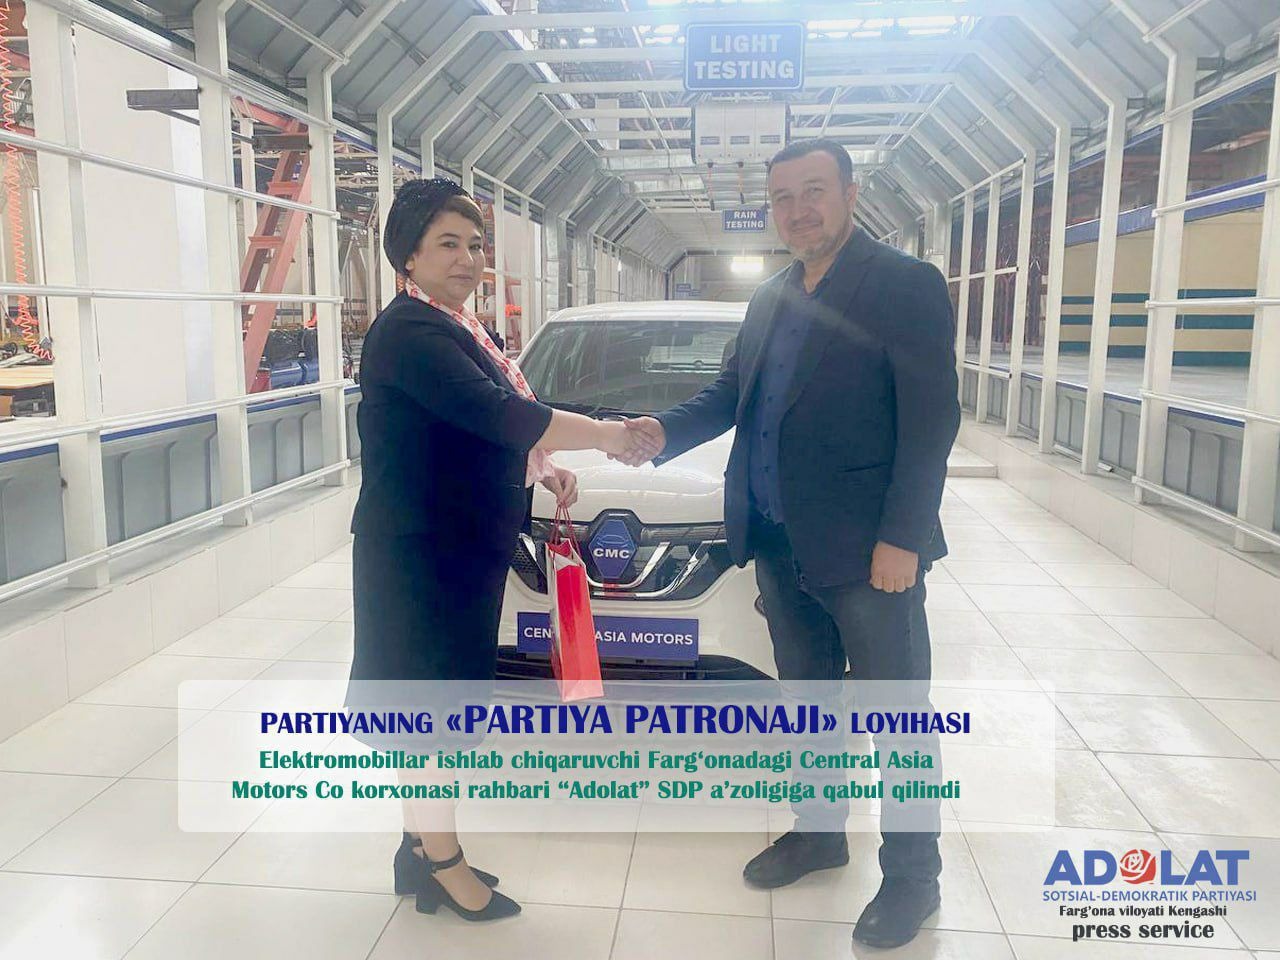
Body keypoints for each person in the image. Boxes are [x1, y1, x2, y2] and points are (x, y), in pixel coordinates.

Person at [616, 139, 960, 949]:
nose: (798, 210)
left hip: (869, 553)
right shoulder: (771, 296)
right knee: (808, 701)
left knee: (897, 715)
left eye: (814, 191)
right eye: (782, 198)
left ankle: (914, 878)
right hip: (778, 541)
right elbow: (731, 394)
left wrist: (903, 537)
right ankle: (819, 832)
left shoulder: (903, 285)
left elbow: (932, 419)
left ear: (850, 193)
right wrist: (659, 430)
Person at [347, 178, 660, 923]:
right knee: (429, 711)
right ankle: (444, 867)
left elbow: (475, 429)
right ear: (408, 254)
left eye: (476, 244)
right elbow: (500, 413)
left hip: (449, 549)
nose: (468, 259)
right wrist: (608, 435)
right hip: (423, 557)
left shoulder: (454, 326)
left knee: (425, 705)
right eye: (448, 244)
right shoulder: (411, 333)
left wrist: (542, 468)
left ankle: (416, 851)